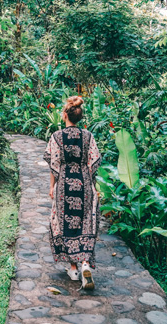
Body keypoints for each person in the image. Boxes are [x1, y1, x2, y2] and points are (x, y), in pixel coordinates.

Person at [43, 96, 102, 290]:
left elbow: (54, 165)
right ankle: (85, 263)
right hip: (85, 184)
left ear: (64, 115)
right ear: (80, 116)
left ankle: (74, 269)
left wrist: (52, 187)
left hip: (64, 187)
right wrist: (93, 186)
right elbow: (93, 163)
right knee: (86, 223)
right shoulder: (88, 136)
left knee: (65, 224)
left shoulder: (56, 137)